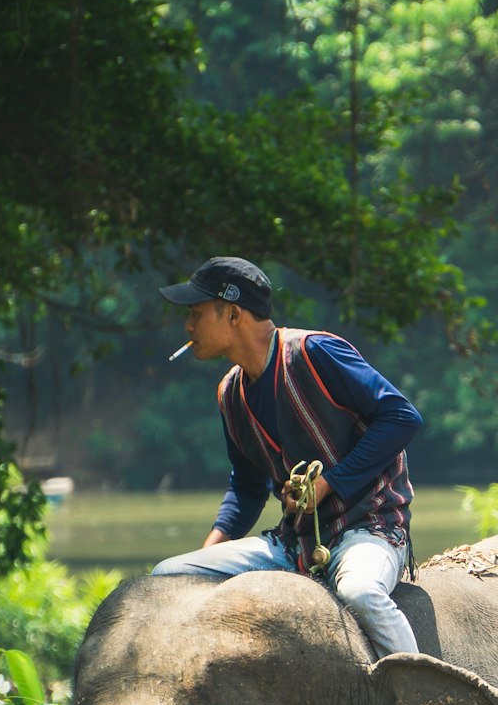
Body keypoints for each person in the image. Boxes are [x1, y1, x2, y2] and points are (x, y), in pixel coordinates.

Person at [151, 256, 422, 658]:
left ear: (232, 313)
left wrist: (329, 483)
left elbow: (402, 417)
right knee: (168, 575)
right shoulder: (230, 394)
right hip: (294, 543)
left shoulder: (315, 352)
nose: (188, 326)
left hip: (370, 528)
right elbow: (245, 488)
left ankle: (426, 701)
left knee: (360, 592)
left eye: (195, 313)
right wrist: (207, 553)